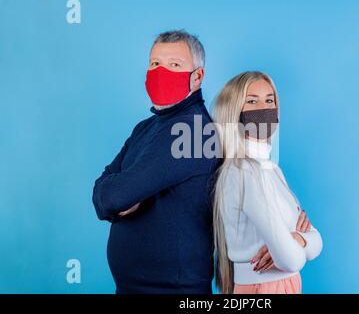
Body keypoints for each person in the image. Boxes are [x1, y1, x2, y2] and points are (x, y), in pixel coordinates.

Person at [92, 30, 220, 293]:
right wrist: (115, 195)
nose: (161, 72)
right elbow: (102, 191)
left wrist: (117, 194)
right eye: (155, 64)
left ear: (197, 77)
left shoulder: (193, 132)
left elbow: (115, 195)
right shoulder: (146, 127)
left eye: (174, 65)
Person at [212, 71, 323, 294]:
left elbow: (317, 242)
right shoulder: (243, 172)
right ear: (234, 112)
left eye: (269, 100)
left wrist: (296, 238)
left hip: (283, 285)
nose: (264, 108)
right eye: (252, 101)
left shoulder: (271, 169)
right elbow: (291, 260)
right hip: (262, 288)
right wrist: (298, 241)